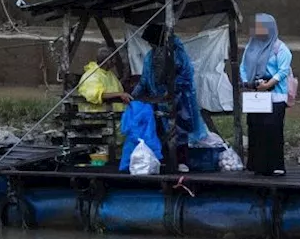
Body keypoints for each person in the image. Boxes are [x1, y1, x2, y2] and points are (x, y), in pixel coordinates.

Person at [132, 28, 205, 171]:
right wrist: (134, 95)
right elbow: (145, 79)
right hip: (158, 100)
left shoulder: (177, 54)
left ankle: (182, 161)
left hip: (178, 98)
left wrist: (171, 90)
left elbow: (186, 76)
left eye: (151, 42)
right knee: (161, 130)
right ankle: (166, 160)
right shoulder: (149, 57)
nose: (150, 45)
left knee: (180, 129)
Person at [240, 13, 294, 176]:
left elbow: (283, 70)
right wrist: (247, 82)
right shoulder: (251, 46)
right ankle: (258, 165)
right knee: (256, 128)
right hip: (256, 94)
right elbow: (243, 66)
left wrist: (269, 84)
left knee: (273, 129)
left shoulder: (280, 48)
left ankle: (276, 165)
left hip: (275, 95)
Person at [77, 46, 131, 113]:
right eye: (113, 59)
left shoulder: (109, 74)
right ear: (107, 61)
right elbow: (96, 95)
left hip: (114, 114)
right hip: (96, 117)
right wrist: (119, 94)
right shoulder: (92, 75)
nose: (115, 61)